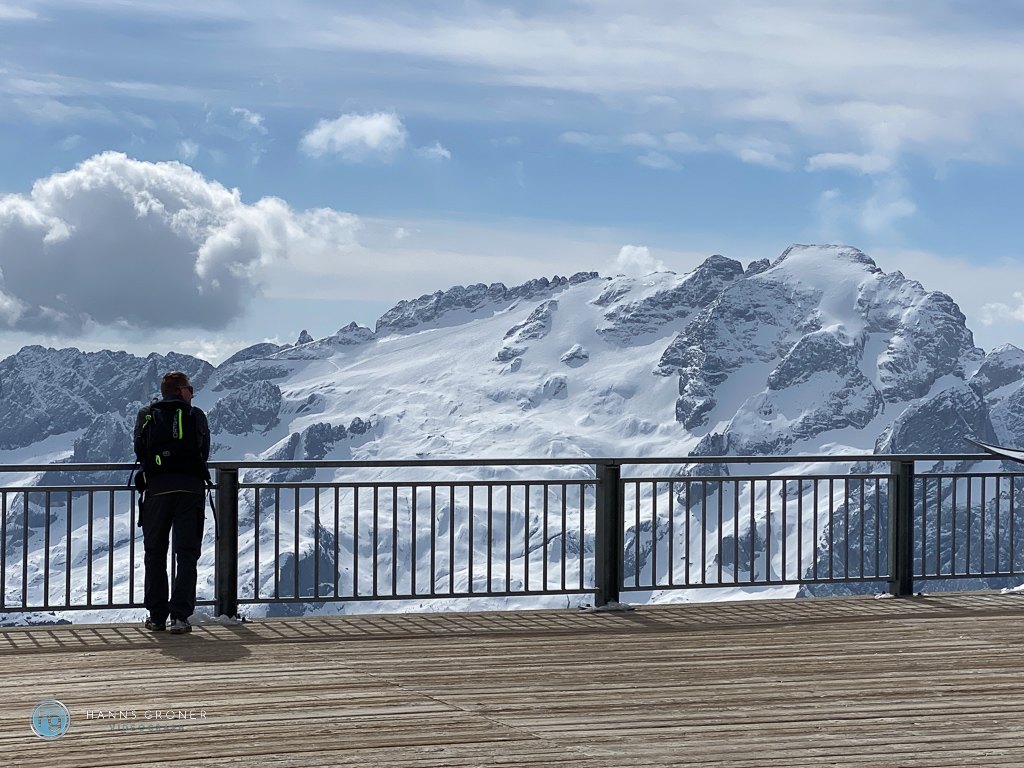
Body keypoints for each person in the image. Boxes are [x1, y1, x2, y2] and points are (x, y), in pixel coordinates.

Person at [134, 371, 211, 634]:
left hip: (157, 491)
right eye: (190, 388)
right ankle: (179, 617)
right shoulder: (197, 415)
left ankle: (156, 617)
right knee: (186, 553)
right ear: (181, 391)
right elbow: (204, 451)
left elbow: (139, 449)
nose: (192, 393)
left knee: (155, 552)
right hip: (190, 491)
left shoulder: (147, 413)